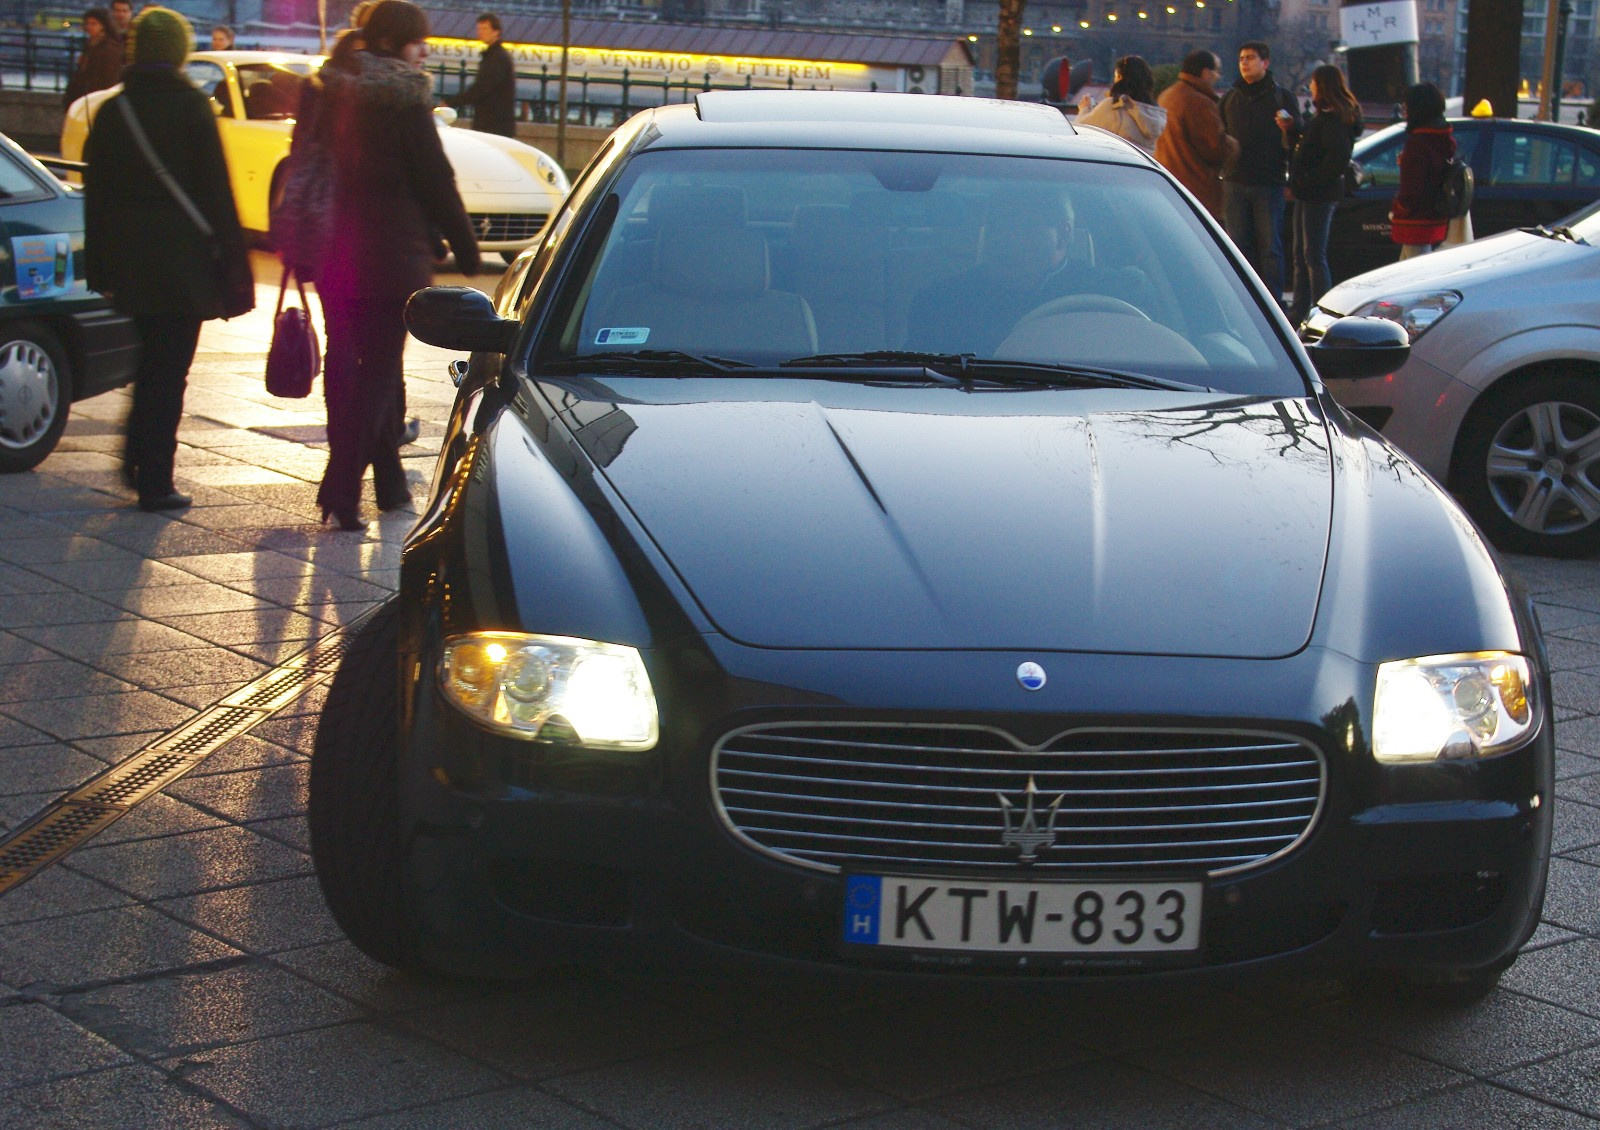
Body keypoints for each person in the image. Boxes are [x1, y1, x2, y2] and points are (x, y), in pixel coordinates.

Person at [314, 0, 479, 529]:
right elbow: (435, 179)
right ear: (396, 43)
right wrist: (465, 244)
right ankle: (341, 485)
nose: (423, 51)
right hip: (389, 258)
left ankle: (387, 484)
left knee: (345, 365)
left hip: (333, 250)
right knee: (380, 372)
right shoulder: (406, 100)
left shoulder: (330, 90)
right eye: (417, 42)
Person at [84, 7, 254, 512]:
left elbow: (98, 197)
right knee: (169, 368)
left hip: (131, 263)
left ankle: (136, 455)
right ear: (179, 51)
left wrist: (100, 269)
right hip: (184, 264)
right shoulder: (193, 107)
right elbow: (217, 195)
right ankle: (154, 476)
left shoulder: (116, 111)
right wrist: (236, 270)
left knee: (149, 360)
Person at [1220, 40, 1300, 303]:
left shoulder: (1282, 97)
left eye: (1251, 58)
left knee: (1270, 249)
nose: (1244, 62)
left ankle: (1273, 303)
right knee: (1238, 247)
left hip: (1269, 180)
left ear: (1265, 63)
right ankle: (1242, 302)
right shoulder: (1230, 98)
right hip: (1234, 180)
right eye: (1242, 58)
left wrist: (1290, 128)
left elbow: (1298, 137)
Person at [1287, 64, 1362, 324]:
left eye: (1315, 83)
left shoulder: (1333, 121)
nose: (1311, 87)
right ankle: (1301, 309)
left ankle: (1321, 310)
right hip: (1309, 192)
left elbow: (1335, 158)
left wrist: (1308, 180)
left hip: (1317, 193)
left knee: (1312, 254)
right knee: (1302, 254)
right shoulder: (1329, 118)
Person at [1155, 49, 1238, 220]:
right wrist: (1233, 145)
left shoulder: (1167, 95)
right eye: (1217, 71)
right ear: (1206, 72)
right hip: (1197, 190)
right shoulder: (1200, 102)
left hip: (1169, 186)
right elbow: (1215, 148)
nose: (1218, 76)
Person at [1390, 82, 1455, 259]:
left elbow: (1412, 189)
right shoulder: (1442, 139)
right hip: (1435, 215)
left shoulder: (1417, 143)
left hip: (1416, 221)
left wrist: (1398, 207)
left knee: (1411, 271)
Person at [1076, 55, 1166, 155]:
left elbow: (1081, 129)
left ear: (1119, 77)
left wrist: (1084, 109)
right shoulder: (1154, 112)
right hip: (1144, 168)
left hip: (1121, 166)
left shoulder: (1115, 105)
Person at [447, 12, 515, 137]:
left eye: (484, 28)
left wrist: (451, 102)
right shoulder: (496, 55)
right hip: (495, 122)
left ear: (496, 31)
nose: (480, 32)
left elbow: (482, 87)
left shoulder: (496, 57)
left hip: (493, 123)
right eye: (479, 28)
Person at [64, 8, 122, 107]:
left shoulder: (109, 49)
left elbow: (109, 79)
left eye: (94, 24)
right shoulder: (90, 45)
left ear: (103, 26)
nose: (89, 27)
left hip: (96, 100)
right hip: (85, 98)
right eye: (87, 23)